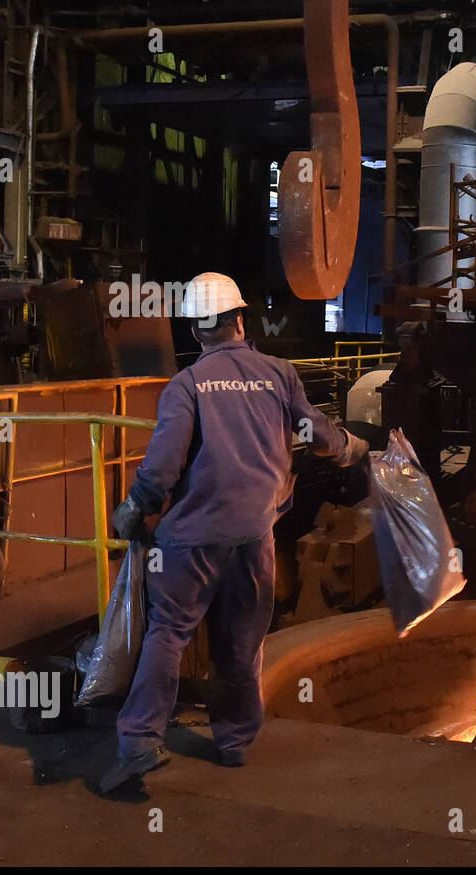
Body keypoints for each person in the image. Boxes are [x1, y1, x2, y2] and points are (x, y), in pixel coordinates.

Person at [100, 272, 368, 792]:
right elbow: (315, 434)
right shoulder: (278, 373)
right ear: (239, 320)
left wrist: (135, 507)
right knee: (241, 642)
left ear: (196, 333)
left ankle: (138, 740)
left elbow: (164, 463)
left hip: (192, 538)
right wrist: (353, 449)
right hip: (254, 534)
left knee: (169, 634)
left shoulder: (188, 384)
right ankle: (233, 743)